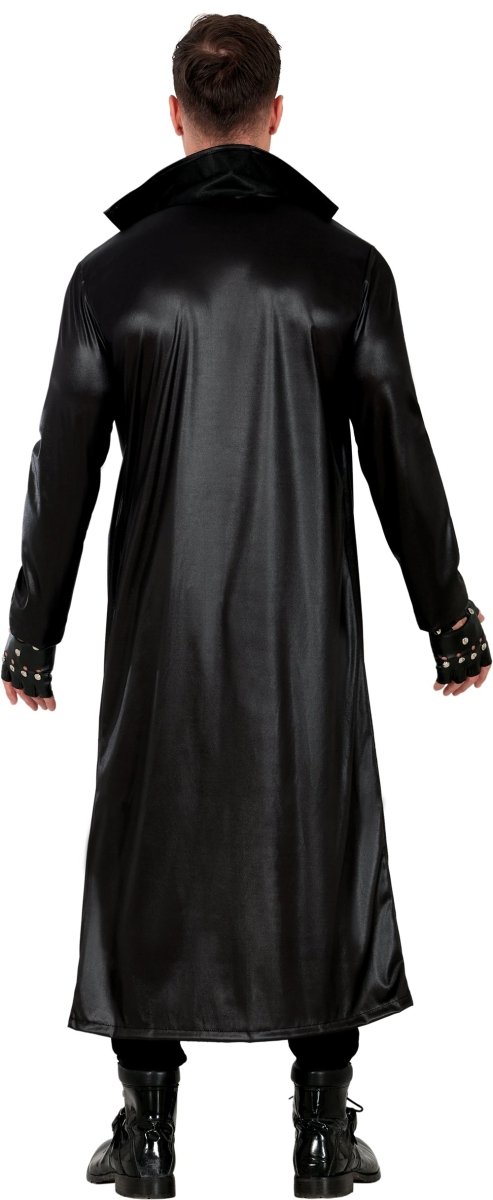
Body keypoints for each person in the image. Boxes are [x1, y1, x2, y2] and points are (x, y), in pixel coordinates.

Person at [2, 12, 490, 1199]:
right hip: (302, 634)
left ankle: (146, 1137)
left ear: (175, 115)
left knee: (145, 844)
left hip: (158, 634)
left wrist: (32, 634)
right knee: (319, 831)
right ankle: (320, 1137)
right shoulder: (346, 268)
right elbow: (402, 454)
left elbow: (62, 466)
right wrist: (449, 618)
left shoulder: (110, 277)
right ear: (276, 115)